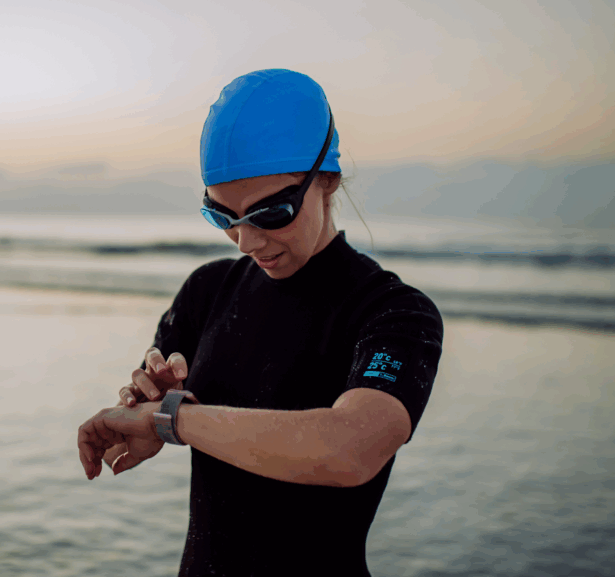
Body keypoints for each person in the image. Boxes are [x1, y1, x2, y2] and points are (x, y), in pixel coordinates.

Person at [76, 69, 443, 576]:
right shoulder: (207, 291)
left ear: (328, 179)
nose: (246, 242)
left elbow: (352, 448)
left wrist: (173, 420)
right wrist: (143, 409)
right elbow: (154, 409)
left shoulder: (393, 312)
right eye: (223, 217)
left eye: (271, 213)